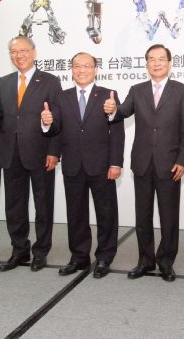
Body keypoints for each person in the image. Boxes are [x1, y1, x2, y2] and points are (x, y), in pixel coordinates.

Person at [0, 36, 63, 272]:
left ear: (34, 52)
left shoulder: (50, 81)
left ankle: (41, 252)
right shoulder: (5, 81)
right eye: (14, 51)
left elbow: (57, 118)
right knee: (14, 206)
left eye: (23, 50)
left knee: (43, 206)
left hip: (41, 153)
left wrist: (54, 151)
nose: (19, 55)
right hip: (11, 153)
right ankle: (19, 250)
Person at [103, 44, 184, 282]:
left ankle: (166, 262)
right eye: (151, 59)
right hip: (142, 162)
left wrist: (183, 160)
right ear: (146, 63)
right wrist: (112, 110)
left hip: (170, 163)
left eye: (161, 59)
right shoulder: (137, 89)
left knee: (168, 216)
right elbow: (122, 111)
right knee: (142, 216)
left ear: (169, 63)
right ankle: (145, 260)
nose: (156, 63)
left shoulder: (181, 90)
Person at [43, 52, 124, 279]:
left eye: (87, 66)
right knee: (76, 214)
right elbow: (56, 128)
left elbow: (116, 132)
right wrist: (46, 122)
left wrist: (116, 162)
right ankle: (79, 256)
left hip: (101, 165)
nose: (81, 70)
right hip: (73, 164)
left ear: (95, 69)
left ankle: (104, 257)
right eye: (77, 66)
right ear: (72, 69)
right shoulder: (62, 96)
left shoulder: (108, 95)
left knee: (106, 214)